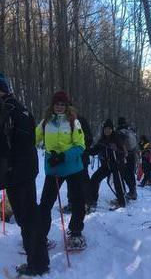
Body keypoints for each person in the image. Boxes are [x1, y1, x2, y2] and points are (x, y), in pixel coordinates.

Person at [0, 73, 49, 276]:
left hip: (16, 172)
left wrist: (7, 171)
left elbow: (4, 146)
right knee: (30, 216)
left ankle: (36, 264)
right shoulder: (19, 107)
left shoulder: (7, 109)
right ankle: (39, 260)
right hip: (25, 171)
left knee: (26, 218)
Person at [36, 91, 86, 250]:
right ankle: (40, 236)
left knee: (78, 201)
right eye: (57, 104)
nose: (59, 107)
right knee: (45, 204)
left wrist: (63, 156)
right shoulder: (46, 122)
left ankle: (76, 232)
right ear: (52, 105)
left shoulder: (73, 122)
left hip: (72, 167)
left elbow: (80, 146)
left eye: (62, 104)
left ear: (67, 106)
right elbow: (32, 138)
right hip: (54, 168)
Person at [89, 119, 126, 210]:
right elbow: (94, 151)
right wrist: (85, 150)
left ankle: (121, 202)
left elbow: (123, 152)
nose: (107, 130)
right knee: (94, 179)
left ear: (112, 129)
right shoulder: (102, 141)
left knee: (118, 183)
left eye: (109, 129)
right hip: (106, 166)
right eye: (106, 129)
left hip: (116, 165)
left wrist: (116, 149)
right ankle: (93, 200)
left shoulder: (116, 139)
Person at [62, 113, 93, 214]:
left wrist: (80, 146)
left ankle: (87, 203)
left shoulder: (80, 120)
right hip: (70, 157)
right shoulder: (62, 121)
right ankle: (72, 202)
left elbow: (89, 138)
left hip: (81, 155)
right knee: (70, 179)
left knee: (83, 179)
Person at [116, 117, 138, 200]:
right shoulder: (130, 130)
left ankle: (127, 192)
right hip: (133, 153)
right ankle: (133, 191)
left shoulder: (120, 131)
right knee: (131, 173)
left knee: (124, 174)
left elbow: (121, 144)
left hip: (125, 154)